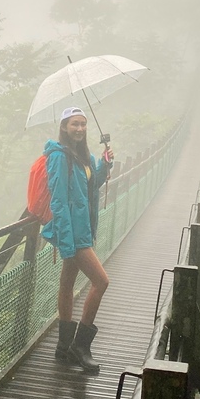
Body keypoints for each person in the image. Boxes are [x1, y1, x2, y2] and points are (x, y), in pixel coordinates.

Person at [41, 106, 114, 374]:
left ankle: (63, 347)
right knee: (101, 281)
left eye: (83, 124)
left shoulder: (83, 156)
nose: (80, 129)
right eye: (74, 124)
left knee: (67, 283)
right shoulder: (59, 157)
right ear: (64, 127)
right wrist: (67, 241)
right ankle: (80, 347)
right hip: (74, 234)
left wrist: (104, 165)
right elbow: (58, 200)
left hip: (83, 230)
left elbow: (89, 188)